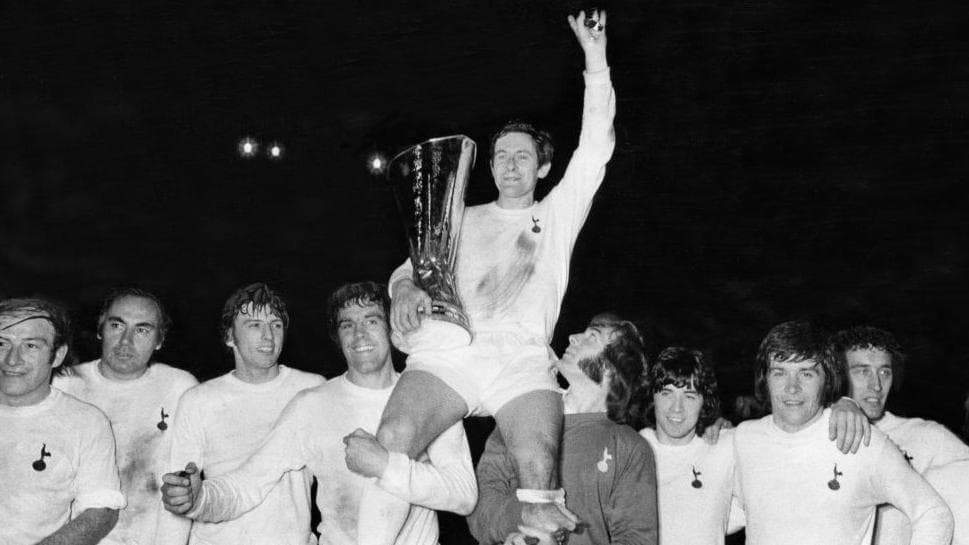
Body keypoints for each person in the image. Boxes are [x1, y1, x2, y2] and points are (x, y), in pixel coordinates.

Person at [372, 9, 617, 541]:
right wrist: (404, 288)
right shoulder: (460, 218)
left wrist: (595, 58)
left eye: (522, 157)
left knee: (539, 474)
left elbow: (596, 148)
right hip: (450, 353)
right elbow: (408, 270)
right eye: (501, 156)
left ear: (542, 168)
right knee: (389, 441)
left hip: (521, 360)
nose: (509, 165)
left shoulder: (555, 215)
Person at [160, 281, 476, 545]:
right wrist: (198, 500)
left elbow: (464, 495)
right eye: (347, 325)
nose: (360, 335)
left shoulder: (431, 394)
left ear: (392, 329)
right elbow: (247, 485)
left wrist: (386, 466)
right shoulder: (312, 404)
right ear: (338, 338)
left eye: (371, 321)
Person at [733, 320, 952, 545]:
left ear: (826, 379)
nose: (792, 388)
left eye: (806, 374)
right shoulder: (745, 438)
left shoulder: (863, 439)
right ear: (765, 378)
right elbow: (730, 512)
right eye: (779, 373)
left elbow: (933, 513)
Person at [155, 282, 325, 545]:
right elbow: (181, 495)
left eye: (276, 325)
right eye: (254, 325)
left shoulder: (311, 389)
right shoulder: (199, 400)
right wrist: (185, 497)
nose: (268, 336)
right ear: (229, 336)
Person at [469, 313, 658, 545]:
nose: (572, 337)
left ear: (613, 366)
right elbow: (479, 501)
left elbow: (636, 538)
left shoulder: (628, 446)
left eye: (592, 336)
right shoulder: (524, 413)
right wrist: (524, 516)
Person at [54, 288, 198, 545]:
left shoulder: (180, 387)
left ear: (159, 340)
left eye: (142, 330)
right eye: (117, 325)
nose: (126, 341)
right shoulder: (64, 384)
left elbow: (186, 482)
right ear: (100, 330)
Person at [0, 297, 125, 544]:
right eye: (2, 343)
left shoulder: (85, 422)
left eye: (31, 346)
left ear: (57, 355)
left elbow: (101, 510)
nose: (12, 360)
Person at [831, 325, 969, 545]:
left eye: (884, 372)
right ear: (840, 377)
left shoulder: (926, 435)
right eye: (862, 371)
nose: (876, 385)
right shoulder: (821, 432)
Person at [639, 347, 745, 545]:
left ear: (704, 401)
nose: (676, 408)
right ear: (652, 396)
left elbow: (762, 500)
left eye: (689, 396)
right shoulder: (633, 449)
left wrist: (716, 522)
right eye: (667, 393)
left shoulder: (725, 446)